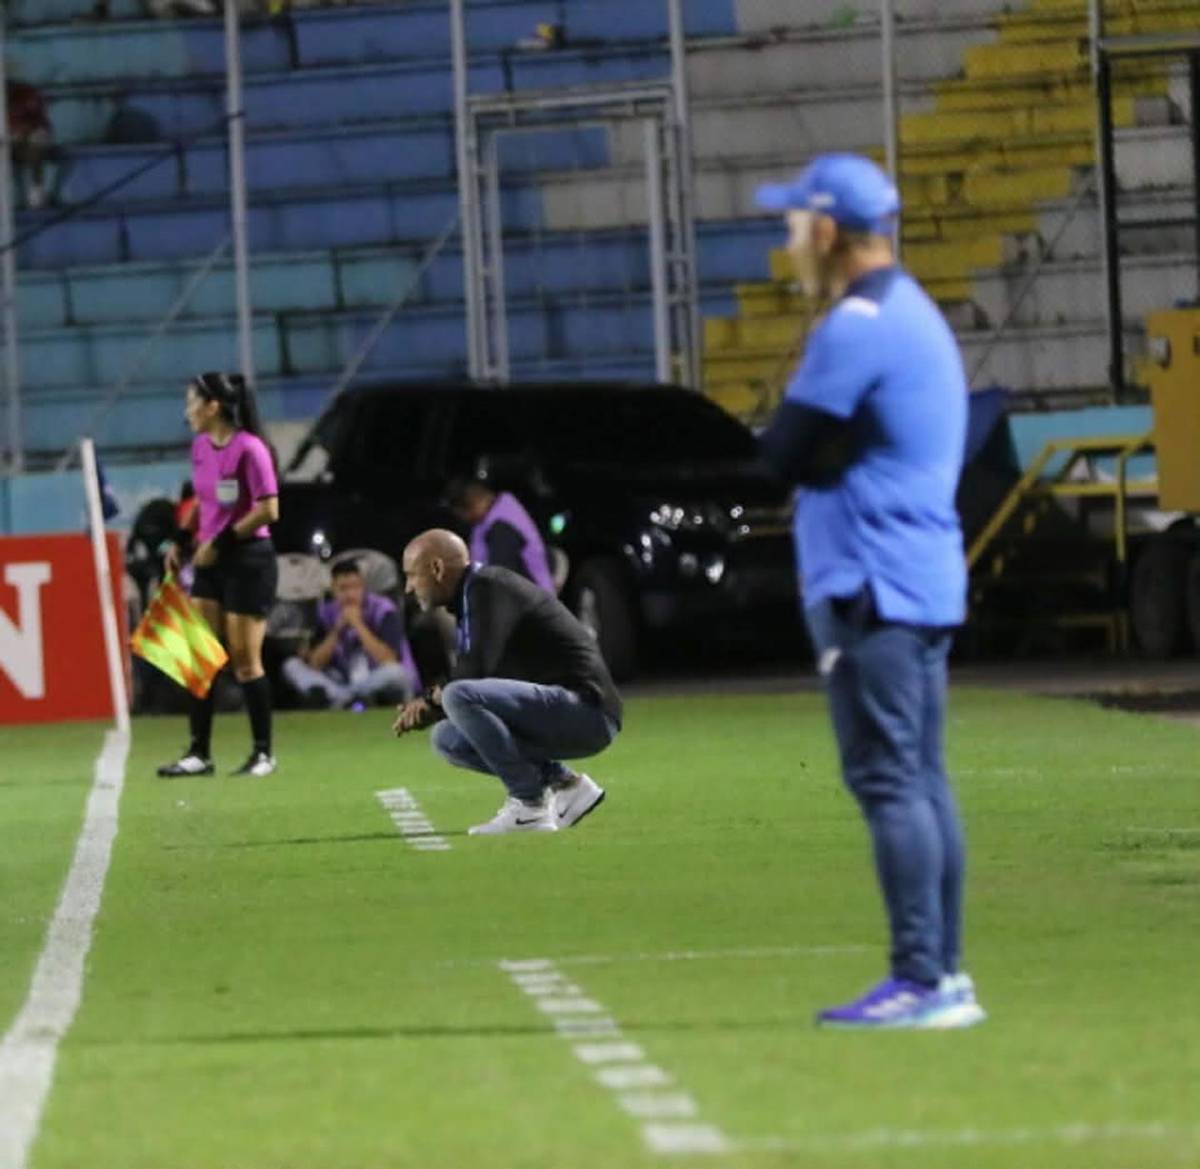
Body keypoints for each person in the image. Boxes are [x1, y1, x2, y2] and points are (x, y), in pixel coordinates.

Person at [755, 153, 985, 1030]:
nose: (788, 243)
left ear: (826, 229)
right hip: (919, 574)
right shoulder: (914, 312)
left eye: (793, 225)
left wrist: (811, 457)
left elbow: (780, 452)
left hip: (871, 581)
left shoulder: (855, 325)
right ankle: (944, 974)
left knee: (891, 780)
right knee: (921, 777)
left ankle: (920, 977)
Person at [393, 529, 619, 835]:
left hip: (587, 710)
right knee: (447, 738)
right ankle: (567, 785)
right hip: (562, 709)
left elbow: (474, 672)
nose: (408, 587)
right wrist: (435, 705)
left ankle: (528, 805)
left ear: (437, 568)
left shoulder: (486, 587)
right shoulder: (474, 592)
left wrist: (430, 701)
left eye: (411, 575)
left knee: (457, 696)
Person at [158, 372, 281, 779]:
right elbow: (203, 500)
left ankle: (263, 753)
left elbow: (269, 509)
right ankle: (199, 753)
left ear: (213, 406)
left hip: (247, 560)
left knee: (245, 661)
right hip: (210, 561)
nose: (187, 412)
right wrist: (182, 539)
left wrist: (222, 541)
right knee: (200, 657)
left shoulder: (251, 449)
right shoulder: (200, 448)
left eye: (192, 402)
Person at [282, 556, 419, 709]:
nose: (350, 594)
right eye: (343, 588)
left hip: (377, 676)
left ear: (363, 586)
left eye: (355, 587)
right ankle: (349, 698)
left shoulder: (383, 609)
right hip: (342, 679)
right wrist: (338, 629)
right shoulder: (326, 612)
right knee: (291, 666)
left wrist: (358, 625)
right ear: (333, 589)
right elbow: (315, 664)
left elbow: (389, 659)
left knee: (396, 673)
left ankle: (341, 699)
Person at [445, 473, 555, 594]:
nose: (463, 520)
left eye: (460, 515)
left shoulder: (502, 529)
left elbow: (502, 583)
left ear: (468, 507)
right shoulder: (490, 515)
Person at [7, 79, 68, 210]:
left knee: (38, 144)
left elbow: (43, 126)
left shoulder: (25, 93)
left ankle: (38, 194)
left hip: (28, 144)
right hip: (11, 146)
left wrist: (24, 132)